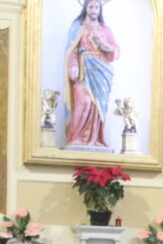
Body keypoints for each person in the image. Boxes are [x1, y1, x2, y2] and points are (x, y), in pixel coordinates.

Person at [65, 0, 119, 148]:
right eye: (91, 6)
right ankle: (76, 137)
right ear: (85, 8)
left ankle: (95, 139)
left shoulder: (105, 30)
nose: (94, 10)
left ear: (100, 9)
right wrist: (73, 66)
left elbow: (116, 51)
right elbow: (71, 50)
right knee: (84, 101)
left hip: (101, 72)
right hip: (84, 69)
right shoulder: (78, 28)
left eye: (97, 7)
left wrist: (106, 47)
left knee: (97, 106)